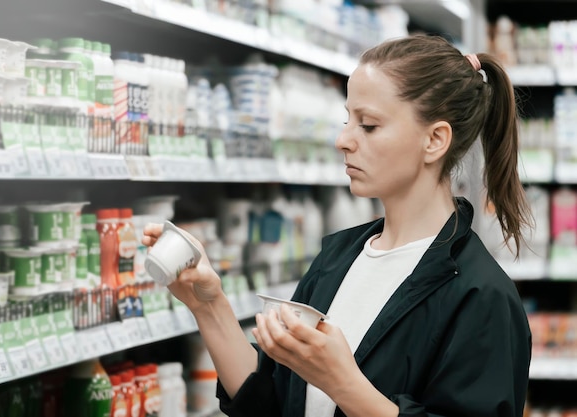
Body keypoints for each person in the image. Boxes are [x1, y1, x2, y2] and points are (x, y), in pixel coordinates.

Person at [142, 34, 533, 417]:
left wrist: (343, 383)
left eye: (368, 125)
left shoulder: (483, 296)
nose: (343, 140)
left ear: (434, 140)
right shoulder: (338, 258)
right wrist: (208, 305)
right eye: (348, 120)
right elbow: (272, 402)